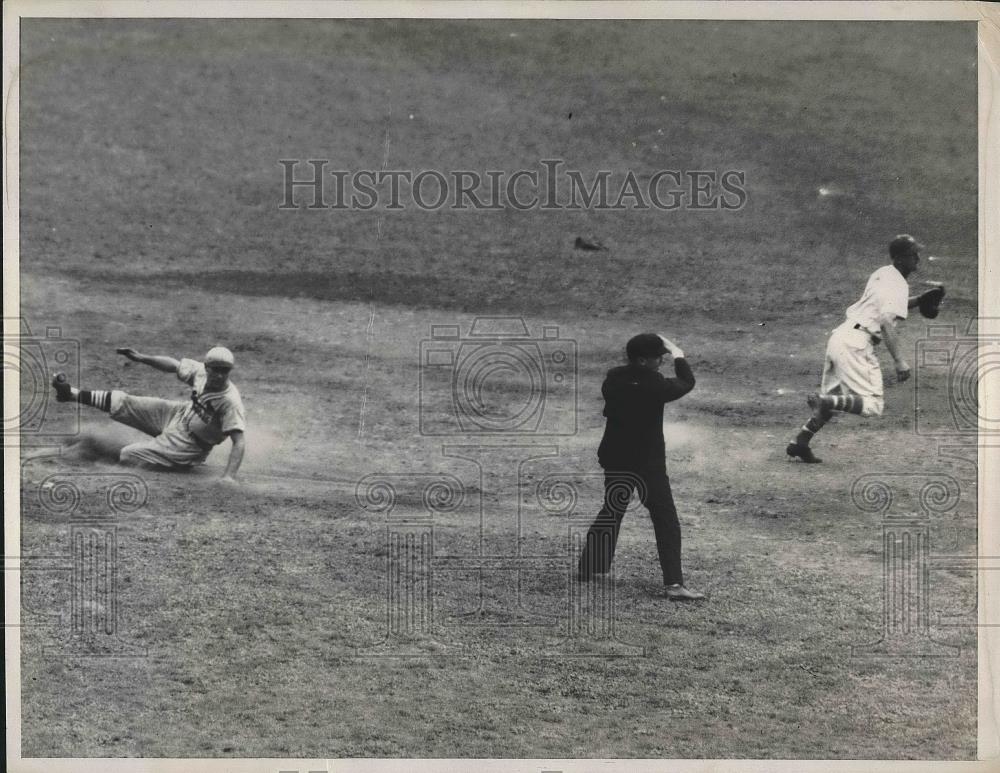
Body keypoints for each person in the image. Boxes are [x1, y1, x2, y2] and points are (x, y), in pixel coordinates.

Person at [577, 332, 705, 601]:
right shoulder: (655, 384)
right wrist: (678, 353)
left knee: (613, 508)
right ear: (644, 360)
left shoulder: (613, 377)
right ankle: (674, 584)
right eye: (657, 357)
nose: (661, 360)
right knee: (665, 519)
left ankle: (589, 567)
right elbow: (686, 382)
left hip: (615, 455)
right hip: (647, 462)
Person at [786, 234, 926, 463]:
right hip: (856, 344)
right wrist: (899, 360)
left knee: (833, 401)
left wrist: (918, 300)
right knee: (873, 405)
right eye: (913, 255)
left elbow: (884, 305)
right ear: (900, 259)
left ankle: (800, 441)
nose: (918, 258)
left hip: (840, 338)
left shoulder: (882, 273)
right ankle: (824, 402)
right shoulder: (899, 284)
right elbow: (886, 322)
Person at [52, 345, 246, 483]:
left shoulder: (230, 401)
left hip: (189, 445)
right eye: (216, 370)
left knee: (130, 455)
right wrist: (142, 358)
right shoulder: (201, 373)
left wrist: (228, 476)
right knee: (127, 402)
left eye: (225, 371)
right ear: (206, 367)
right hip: (179, 414)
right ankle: (70, 394)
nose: (220, 375)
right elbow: (174, 365)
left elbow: (239, 441)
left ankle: (176, 462)